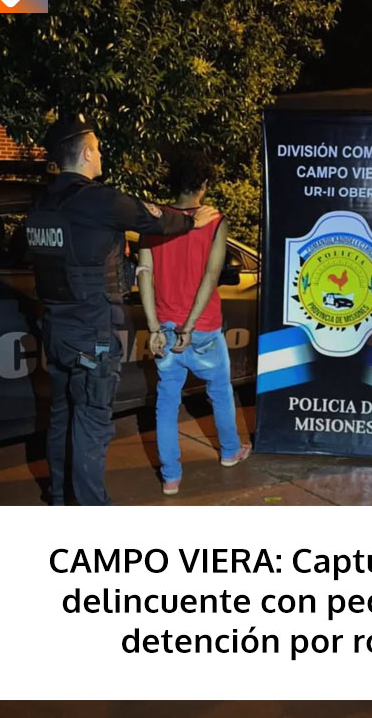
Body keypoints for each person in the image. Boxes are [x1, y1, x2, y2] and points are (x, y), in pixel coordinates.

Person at [26, 114, 219, 506]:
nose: (101, 155)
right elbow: (154, 219)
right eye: (97, 149)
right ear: (85, 154)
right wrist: (191, 221)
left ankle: (60, 498)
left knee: (62, 415)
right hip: (93, 334)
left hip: (57, 330)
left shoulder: (41, 203)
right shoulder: (98, 200)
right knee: (91, 423)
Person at [137, 149, 251, 495]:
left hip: (164, 328)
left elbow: (144, 274)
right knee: (220, 391)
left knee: (166, 402)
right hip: (202, 328)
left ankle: (171, 477)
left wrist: (154, 327)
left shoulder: (153, 220)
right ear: (203, 182)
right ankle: (230, 452)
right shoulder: (214, 222)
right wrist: (189, 327)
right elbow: (211, 277)